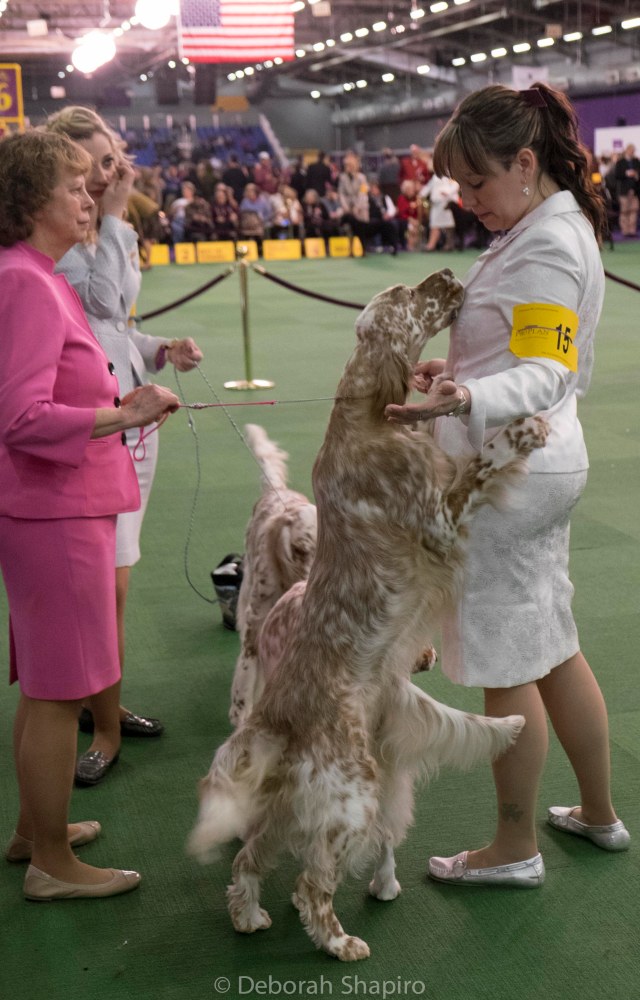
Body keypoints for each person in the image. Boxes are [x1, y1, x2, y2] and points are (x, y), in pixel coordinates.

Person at [386, 82, 629, 887]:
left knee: (509, 665)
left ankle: (514, 848)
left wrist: (466, 396)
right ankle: (598, 813)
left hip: (511, 476)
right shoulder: (541, 226)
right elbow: (516, 350)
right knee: (554, 647)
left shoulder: (550, 241)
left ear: (525, 163)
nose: (467, 198)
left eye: (478, 181)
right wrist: (456, 370)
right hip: (534, 465)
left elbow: (546, 371)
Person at [0, 129, 180, 898]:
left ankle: (33, 832)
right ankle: (52, 863)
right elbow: (22, 418)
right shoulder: (27, 282)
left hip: (55, 508)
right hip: (56, 511)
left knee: (46, 686)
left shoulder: (32, 275)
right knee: (57, 693)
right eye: (73, 187)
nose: (90, 197)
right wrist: (123, 413)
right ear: (31, 201)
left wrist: (117, 403)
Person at [46, 106, 203, 786]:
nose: (110, 174)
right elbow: (102, 303)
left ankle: (99, 702)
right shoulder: (66, 238)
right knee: (105, 585)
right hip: (98, 420)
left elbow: (112, 327)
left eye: (112, 159)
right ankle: (104, 728)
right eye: (95, 163)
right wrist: (111, 217)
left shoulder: (105, 230)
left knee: (115, 577)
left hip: (129, 413)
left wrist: (159, 348)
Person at [419, 173, 460, 251]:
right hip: (435, 204)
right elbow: (430, 185)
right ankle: (431, 245)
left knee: (449, 224)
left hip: (446, 204)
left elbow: (456, 184)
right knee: (434, 225)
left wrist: (448, 192)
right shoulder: (435, 175)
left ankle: (449, 244)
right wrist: (422, 194)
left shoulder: (449, 174)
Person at [613, 143, 640, 237]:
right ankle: (625, 231)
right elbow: (617, 175)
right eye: (631, 150)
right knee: (624, 211)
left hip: (635, 190)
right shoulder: (620, 162)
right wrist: (626, 174)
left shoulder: (636, 161)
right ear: (627, 150)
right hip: (623, 191)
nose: (632, 152)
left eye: (633, 151)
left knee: (634, 210)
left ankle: (632, 231)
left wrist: (636, 174)